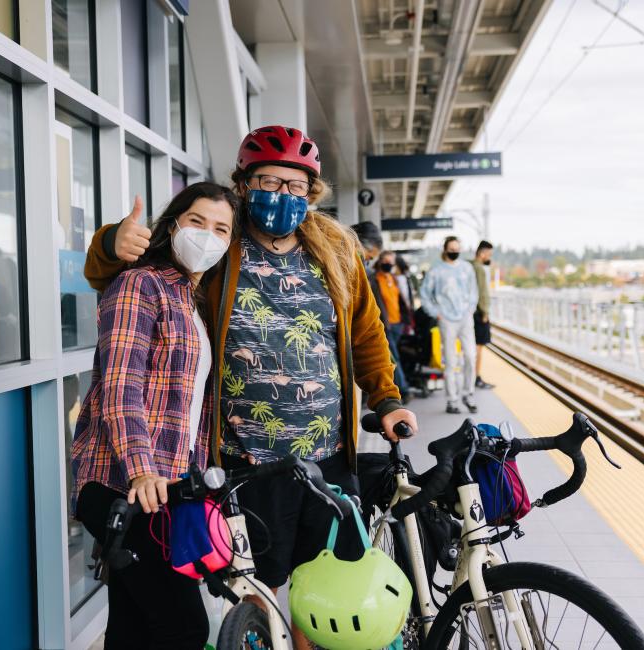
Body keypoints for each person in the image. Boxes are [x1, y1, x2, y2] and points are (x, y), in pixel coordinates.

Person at [84, 125, 417, 650]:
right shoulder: (217, 248)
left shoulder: (336, 250)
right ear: (245, 185)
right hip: (246, 459)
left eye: (295, 187)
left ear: (312, 194)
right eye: (269, 182)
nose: (282, 196)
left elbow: (367, 333)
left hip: (327, 454)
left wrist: (388, 399)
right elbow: (133, 273)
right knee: (258, 587)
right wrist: (109, 242)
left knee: (324, 588)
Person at [71, 182, 238, 650]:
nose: (208, 235)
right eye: (197, 222)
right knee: (184, 628)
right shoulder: (138, 284)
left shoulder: (192, 298)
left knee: (133, 625)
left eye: (221, 229)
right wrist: (143, 471)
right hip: (124, 484)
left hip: (169, 485)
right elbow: (121, 387)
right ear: (172, 225)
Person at [419, 236, 479, 414]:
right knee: (451, 360)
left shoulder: (466, 268)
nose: (455, 251)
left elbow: (473, 291)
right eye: (451, 248)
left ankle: (468, 394)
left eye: (457, 248)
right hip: (446, 320)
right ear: (445, 249)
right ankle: (452, 400)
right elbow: (424, 294)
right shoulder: (436, 271)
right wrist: (436, 313)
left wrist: (470, 310)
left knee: (470, 356)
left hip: (465, 318)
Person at [373, 250, 411, 401]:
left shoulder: (394, 279)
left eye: (392, 262)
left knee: (395, 357)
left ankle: (399, 388)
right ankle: (403, 390)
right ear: (381, 261)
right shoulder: (374, 280)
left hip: (398, 324)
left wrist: (405, 320)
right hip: (385, 325)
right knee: (394, 359)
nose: (389, 264)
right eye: (386, 261)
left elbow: (402, 300)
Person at [473, 240, 495, 389]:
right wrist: (485, 312)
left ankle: (473, 376)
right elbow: (482, 291)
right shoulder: (479, 268)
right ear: (482, 253)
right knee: (478, 348)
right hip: (479, 313)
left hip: (471, 312)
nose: (490, 257)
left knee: (473, 347)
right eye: (489, 254)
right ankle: (476, 377)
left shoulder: (470, 266)